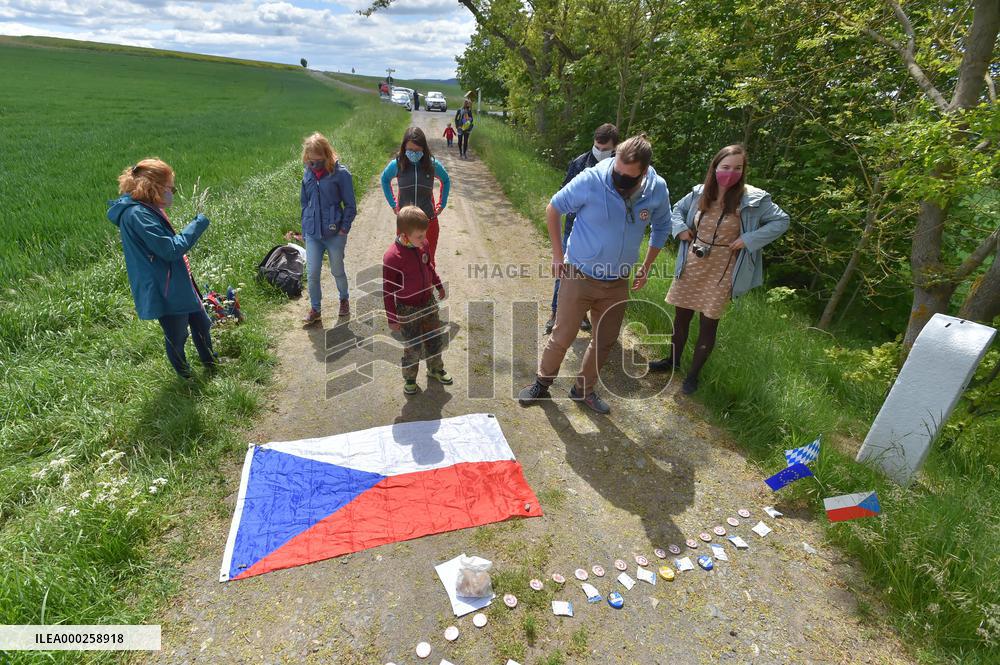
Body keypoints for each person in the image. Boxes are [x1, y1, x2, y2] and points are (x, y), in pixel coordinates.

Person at [518, 134, 671, 414]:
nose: (619, 179)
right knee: (563, 334)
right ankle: (542, 382)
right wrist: (556, 254)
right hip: (579, 274)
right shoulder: (592, 179)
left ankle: (583, 390)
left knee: (605, 340)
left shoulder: (657, 189)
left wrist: (647, 266)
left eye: (628, 177)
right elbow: (554, 208)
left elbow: (662, 227)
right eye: (617, 172)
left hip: (617, 282)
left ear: (645, 172)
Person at [649, 144, 789, 394]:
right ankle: (672, 361)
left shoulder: (754, 199)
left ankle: (693, 376)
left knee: (708, 323)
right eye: (725, 167)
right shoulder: (700, 192)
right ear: (715, 168)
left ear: (743, 171)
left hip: (724, 268)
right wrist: (681, 229)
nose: (730, 172)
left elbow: (782, 220)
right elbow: (676, 211)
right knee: (681, 318)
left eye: (737, 168)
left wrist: (749, 239)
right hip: (693, 262)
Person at [107, 158, 219, 379]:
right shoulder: (137, 215)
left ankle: (211, 362)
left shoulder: (146, 208)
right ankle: (185, 377)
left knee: (201, 323)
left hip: (175, 279)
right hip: (164, 287)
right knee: (177, 335)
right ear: (154, 187)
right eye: (170, 188)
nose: (172, 193)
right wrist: (197, 224)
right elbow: (170, 250)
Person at [545, 122, 620, 335]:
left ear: (615, 147)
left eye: (605, 149)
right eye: (598, 146)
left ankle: (582, 315)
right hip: (575, 228)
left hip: (605, 234)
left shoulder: (620, 168)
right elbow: (561, 196)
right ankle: (555, 313)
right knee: (566, 272)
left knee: (592, 276)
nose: (600, 152)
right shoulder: (580, 163)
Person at [383, 206, 452, 395]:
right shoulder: (392, 258)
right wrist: (392, 318)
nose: (424, 240)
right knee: (412, 346)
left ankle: (435, 369)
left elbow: (428, 265)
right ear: (404, 234)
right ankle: (410, 378)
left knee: (434, 339)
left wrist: (438, 285)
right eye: (419, 236)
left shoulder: (423, 244)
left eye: (424, 235)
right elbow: (388, 291)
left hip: (428, 301)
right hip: (407, 308)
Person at [300, 132, 357, 325]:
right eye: (310, 160)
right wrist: (305, 228)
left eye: (317, 160)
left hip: (334, 234)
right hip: (313, 234)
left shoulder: (340, 174)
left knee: (337, 270)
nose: (313, 164)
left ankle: (344, 299)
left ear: (326, 155)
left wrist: (343, 230)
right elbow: (304, 203)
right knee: (312, 273)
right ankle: (315, 309)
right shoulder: (307, 173)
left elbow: (350, 205)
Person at [380, 127, 451, 265]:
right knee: (406, 261)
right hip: (405, 224)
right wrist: (393, 204)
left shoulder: (432, 164)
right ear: (404, 147)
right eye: (410, 150)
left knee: (427, 261)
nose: (414, 154)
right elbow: (384, 179)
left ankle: (427, 286)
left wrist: (442, 204)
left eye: (418, 151)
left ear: (424, 149)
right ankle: (409, 287)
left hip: (428, 222)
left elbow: (446, 180)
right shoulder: (397, 164)